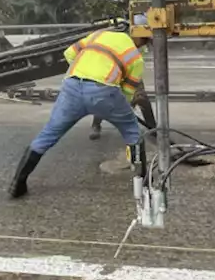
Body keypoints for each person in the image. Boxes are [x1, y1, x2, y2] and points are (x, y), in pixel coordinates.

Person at [8, 23, 148, 198]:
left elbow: (69, 53)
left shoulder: (98, 35)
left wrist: (84, 73)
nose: (143, 46)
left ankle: (17, 183)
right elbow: (127, 93)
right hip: (104, 92)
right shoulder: (136, 58)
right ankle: (142, 183)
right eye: (145, 42)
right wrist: (115, 104)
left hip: (72, 86)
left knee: (48, 135)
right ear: (141, 38)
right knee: (133, 133)